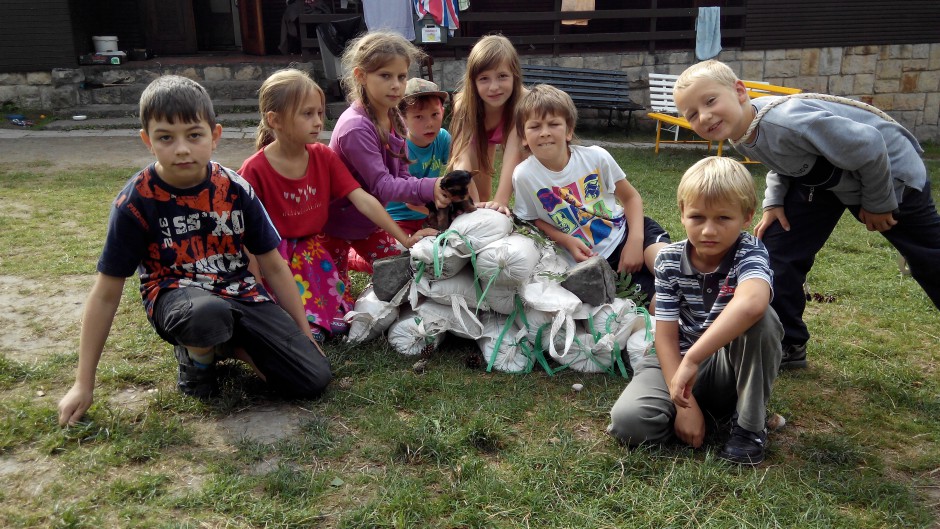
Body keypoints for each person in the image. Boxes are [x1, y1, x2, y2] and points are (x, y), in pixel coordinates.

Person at [57, 76, 331, 426]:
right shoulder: (136, 201)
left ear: (215, 135)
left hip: (241, 294)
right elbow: (106, 293)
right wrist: (83, 383)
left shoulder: (235, 188)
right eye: (166, 138)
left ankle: (227, 345)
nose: (182, 149)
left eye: (194, 135)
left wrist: (304, 333)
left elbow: (274, 266)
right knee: (207, 314)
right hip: (178, 296)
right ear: (147, 141)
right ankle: (197, 359)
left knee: (312, 378)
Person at [673, 59, 940, 369]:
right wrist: (774, 202)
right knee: (777, 250)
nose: (705, 116)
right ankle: (788, 343)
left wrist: (879, 203)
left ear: (740, 91)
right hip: (828, 178)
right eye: (693, 114)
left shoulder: (785, 121)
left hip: (891, 175)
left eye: (710, 101)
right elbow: (780, 159)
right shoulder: (740, 129)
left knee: (929, 256)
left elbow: (871, 144)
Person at [608, 156, 783, 466]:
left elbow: (753, 302)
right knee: (628, 423)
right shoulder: (669, 261)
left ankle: (749, 427)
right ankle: (704, 412)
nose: (708, 230)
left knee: (763, 320)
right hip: (674, 360)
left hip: (724, 364)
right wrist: (685, 406)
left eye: (723, 218)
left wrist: (693, 359)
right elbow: (665, 337)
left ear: (747, 217)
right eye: (697, 217)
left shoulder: (750, 251)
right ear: (682, 214)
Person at [237, 69, 429, 341]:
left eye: (319, 113)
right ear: (274, 120)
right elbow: (245, 235)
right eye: (307, 114)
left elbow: (362, 199)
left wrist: (404, 239)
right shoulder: (254, 170)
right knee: (304, 325)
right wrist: (256, 288)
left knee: (340, 322)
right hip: (276, 259)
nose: (318, 122)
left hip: (313, 251)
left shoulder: (322, 156)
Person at [510, 84, 670, 306]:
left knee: (670, 268)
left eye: (554, 124)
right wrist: (566, 240)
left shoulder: (596, 157)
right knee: (661, 305)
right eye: (535, 126)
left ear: (569, 130)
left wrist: (635, 241)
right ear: (523, 137)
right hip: (600, 264)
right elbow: (531, 220)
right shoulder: (524, 176)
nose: (545, 132)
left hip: (631, 232)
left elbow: (631, 198)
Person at [325, 31, 450, 296]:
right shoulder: (355, 128)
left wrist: (431, 191)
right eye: (385, 76)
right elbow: (382, 186)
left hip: (370, 222)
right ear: (361, 76)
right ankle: (335, 261)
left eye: (401, 77)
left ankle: (352, 260)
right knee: (338, 299)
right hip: (335, 227)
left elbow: (402, 174)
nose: (396, 85)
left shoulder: (394, 117)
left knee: (403, 269)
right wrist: (430, 187)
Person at [447, 34, 527, 208]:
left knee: (524, 173)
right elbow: (461, 155)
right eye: (484, 78)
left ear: (514, 75)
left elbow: (513, 154)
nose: (494, 87)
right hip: (479, 136)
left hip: (516, 141)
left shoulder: (523, 103)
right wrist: (471, 202)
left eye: (502, 76)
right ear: (473, 82)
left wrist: (501, 201)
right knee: (480, 194)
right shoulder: (464, 104)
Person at [386, 77, 456, 235]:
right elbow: (409, 202)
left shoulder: (443, 138)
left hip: (429, 213)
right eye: (419, 117)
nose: (429, 123)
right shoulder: (399, 146)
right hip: (398, 218)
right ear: (403, 119)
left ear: (442, 112)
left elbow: (456, 170)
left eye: (434, 114)